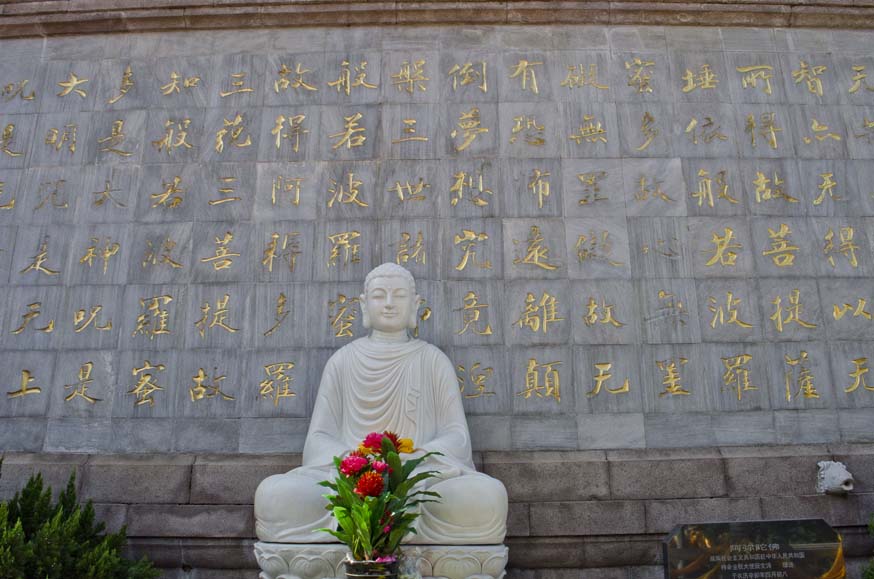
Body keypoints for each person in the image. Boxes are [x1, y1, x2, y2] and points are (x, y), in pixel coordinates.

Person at [254, 263, 507, 545]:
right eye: (379, 295)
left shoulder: (433, 360)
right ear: (364, 305)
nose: (388, 303)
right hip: (350, 478)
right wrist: (355, 462)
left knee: (488, 496)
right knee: (275, 494)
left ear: (415, 304)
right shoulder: (343, 361)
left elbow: (456, 435)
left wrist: (416, 457)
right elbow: (318, 438)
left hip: (419, 478)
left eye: (399, 295)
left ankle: (374, 529)